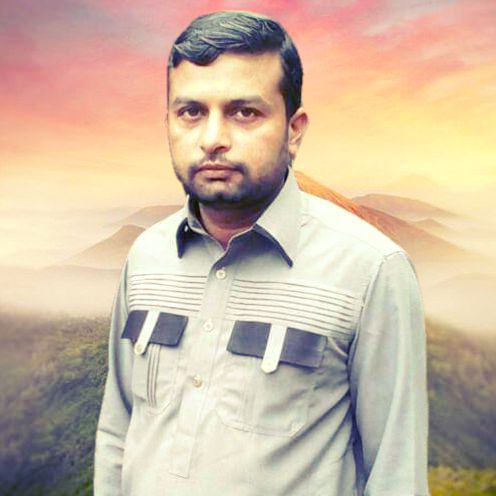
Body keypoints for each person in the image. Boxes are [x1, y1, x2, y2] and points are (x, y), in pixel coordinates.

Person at [94, 10, 429, 496]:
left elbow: (396, 475)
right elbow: (117, 431)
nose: (212, 139)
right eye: (191, 112)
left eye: (244, 112)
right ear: (168, 122)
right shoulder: (147, 256)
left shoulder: (371, 270)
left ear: (294, 130)